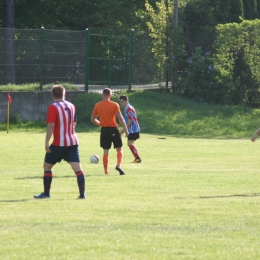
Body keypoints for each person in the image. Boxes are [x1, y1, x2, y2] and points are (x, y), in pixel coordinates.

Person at [33, 85, 86, 199]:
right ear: (64, 94)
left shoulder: (53, 107)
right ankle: (82, 195)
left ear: (52, 95)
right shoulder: (72, 106)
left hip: (59, 143)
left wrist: (47, 142)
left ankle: (46, 194)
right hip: (72, 142)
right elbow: (74, 123)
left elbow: (51, 125)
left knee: (47, 167)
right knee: (78, 169)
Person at [91, 88, 129, 175]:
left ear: (102, 95)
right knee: (119, 149)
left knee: (105, 150)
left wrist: (101, 123)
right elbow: (120, 118)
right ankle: (118, 165)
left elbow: (93, 119)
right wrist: (126, 130)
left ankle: (106, 171)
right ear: (110, 95)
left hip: (104, 130)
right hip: (113, 129)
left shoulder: (97, 105)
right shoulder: (114, 105)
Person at [119, 95, 141, 163]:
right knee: (130, 144)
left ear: (126, 101)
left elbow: (130, 121)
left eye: (122, 102)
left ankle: (137, 158)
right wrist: (126, 131)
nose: (121, 103)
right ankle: (137, 158)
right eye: (120, 102)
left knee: (130, 143)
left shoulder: (129, 108)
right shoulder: (126, 108)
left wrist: (123, 130)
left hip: (134, 129)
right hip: (131, 129)